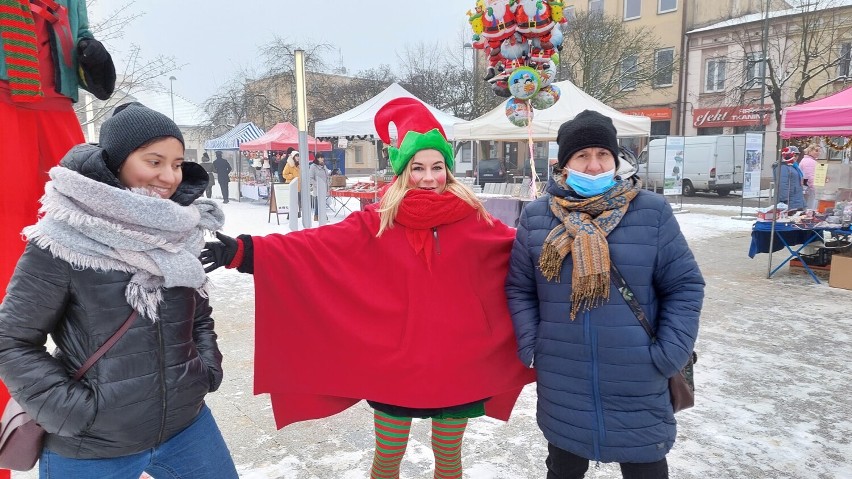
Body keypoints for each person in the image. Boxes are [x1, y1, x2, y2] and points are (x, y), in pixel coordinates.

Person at [200, 97, 535, 479]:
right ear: (403, 171)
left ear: (449, 170)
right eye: (418, 167)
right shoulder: (377, 221)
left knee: (449, 461)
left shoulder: (476, 220)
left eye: (437, 167)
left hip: (458, 364)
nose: (429, 177)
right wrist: (246, 251)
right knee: (387, 460)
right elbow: (316, 247)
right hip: (396, 368)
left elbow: (519, 250)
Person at [0, 103, 237, 478]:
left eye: (176, 164)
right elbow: (11, 340)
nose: (169, 176)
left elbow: (199, 316)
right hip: (92, 446)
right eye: (154, 161)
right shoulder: (62, 239)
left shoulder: (180, 233)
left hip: (186, 428)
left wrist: (204, 371)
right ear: (117, 162)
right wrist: (74, 411)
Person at [505, 110, 705, 479]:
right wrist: (534, 344)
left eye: (603, 154)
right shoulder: (536, 217)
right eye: (582, 155)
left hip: (639, 374)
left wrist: (669, 353)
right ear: (564, 165)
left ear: (616, 160)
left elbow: (684, 285)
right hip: (564, 376)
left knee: (645, 468)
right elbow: (520, 288)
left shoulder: (652, 212)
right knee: (564, 468)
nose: (594, 165)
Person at [0, 0, 116, 441]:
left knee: (94, 246)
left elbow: (79, 37)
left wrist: (93, 57)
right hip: (3, 104)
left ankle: (110, 419)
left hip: (57, 111)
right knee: (5, 265)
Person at [775, 146, 805, 211]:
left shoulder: (793, 166)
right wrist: (784, 200)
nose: (797, 157)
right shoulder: (783, 167)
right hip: (789, 200)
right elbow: (782, 184)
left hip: (795, 199)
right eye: (795, 155)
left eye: (797, 155)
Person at [309, 152, 331, 221]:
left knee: (322, 202)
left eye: (322, 157)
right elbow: (310, 178)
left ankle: (321, 215)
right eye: (320, 157)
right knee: (318, 202)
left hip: (324, 187)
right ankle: (318, 216)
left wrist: (328, 183)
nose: (322, 159)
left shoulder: (324, 166)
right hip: (317, 187)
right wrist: (317, 184)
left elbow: (327, 176)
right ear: (317, 158)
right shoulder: (313, 166)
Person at [799, 143, 820, 211]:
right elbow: (810, 177)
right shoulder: (809, 162)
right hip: (810, 189)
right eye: (816, 150)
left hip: (807, 188)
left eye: (819, 151)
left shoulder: (807, 160)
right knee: (810, 208)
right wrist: (816, 189)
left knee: (807, 208)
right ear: (810, 151)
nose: (818, 153)